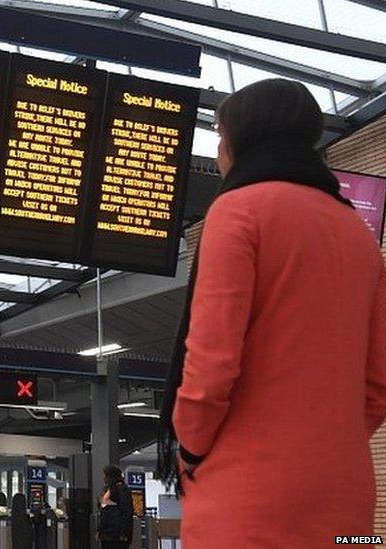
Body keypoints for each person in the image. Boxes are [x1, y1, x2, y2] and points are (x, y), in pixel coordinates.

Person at [158, 78, 386, 547]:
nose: (219, 152)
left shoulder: (238, 210)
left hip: (248, 494)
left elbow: (212, 360)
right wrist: (330, 439)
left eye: (221, 136)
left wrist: (191, 449)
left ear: (244, 138)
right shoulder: (357, 232)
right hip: (344, 495)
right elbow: (380, 378)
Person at [101, 465, 133, 549]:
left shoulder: (121, 490)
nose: (104, 478)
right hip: (109, 534)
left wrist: (124, 533)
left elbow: (126, 512)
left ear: (111, 477)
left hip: (116, 535)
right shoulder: (110, 490)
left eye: (105, 476)